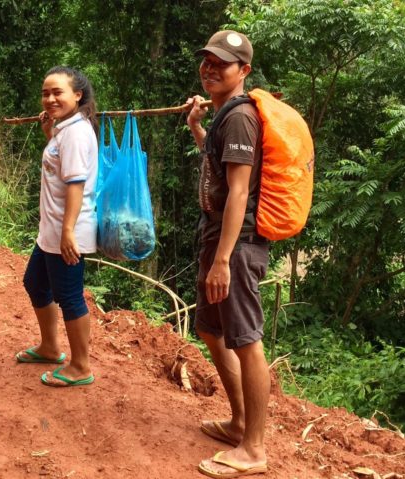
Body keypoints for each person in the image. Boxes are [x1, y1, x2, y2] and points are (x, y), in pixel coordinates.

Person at [186, 31, 270, 477]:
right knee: (211, 330)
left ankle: (254, 448)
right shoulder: (223, 116)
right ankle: (239, 421)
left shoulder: (240, 118)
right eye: (207, 61)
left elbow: (239, 193)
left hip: (235, 245)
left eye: (222, 62)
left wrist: (223, 259)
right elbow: (219, 168)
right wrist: (199, 129)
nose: (211, 68)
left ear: (244, 71)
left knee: (246, 341)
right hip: (216, 236)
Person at [15, 66, 98, 388]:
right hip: (52, 230)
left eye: (58, 92)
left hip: (67, 232)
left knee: (69, 296)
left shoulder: (76, 133)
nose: (50, 98)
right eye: (46, 93)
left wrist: (67, 232)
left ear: (77, 95)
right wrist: (50, 133)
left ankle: (81, 366)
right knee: (35, 283)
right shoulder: (66, 129)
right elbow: (58, 168)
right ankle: (50, 347)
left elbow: (76, 184)